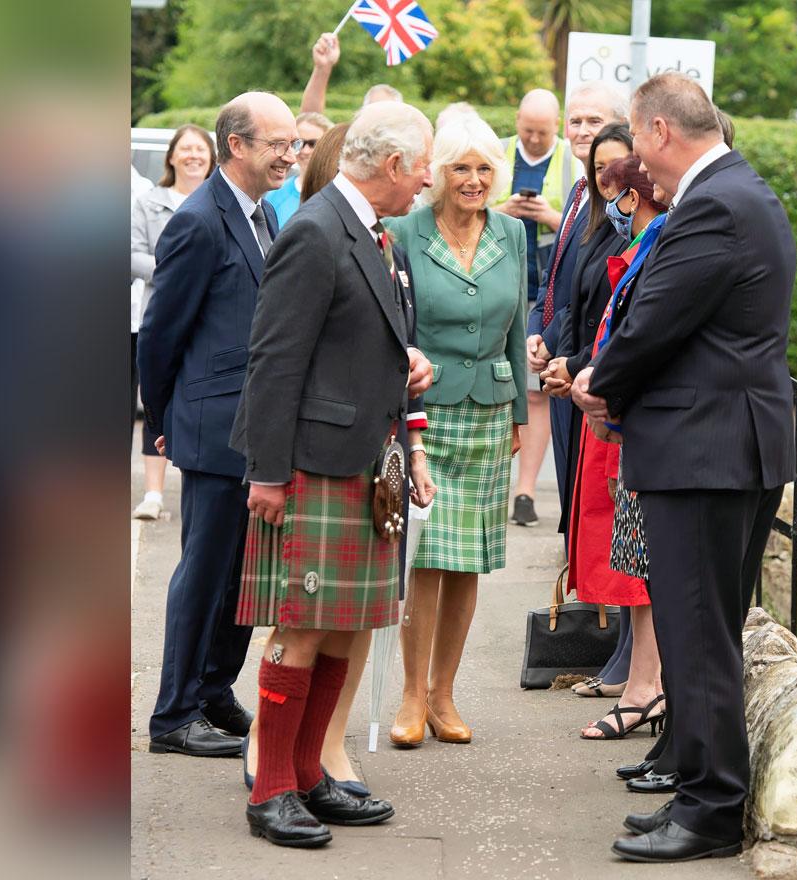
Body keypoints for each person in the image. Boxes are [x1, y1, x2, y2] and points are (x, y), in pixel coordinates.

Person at [572, 73, 796, 862]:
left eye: (636, 140)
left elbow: (655, 321)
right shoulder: (736, 192)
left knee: (697, 635)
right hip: (721, 445)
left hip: (708, 450)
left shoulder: (716, 204)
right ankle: (698, 783)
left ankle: (708, 809)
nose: (636, 158)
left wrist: (601, 384)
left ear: (660, 132)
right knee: (701, 632)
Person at [230, 101, 437, 849]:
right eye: (422, 169)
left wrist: (400, 369)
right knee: (303, 627)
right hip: (312, 465)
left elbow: (351, 342)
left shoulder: (375, 233)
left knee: (345, 627)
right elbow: (275, 359)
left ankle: (310, 774)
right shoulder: (316, 231)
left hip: (362, 461)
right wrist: (268, 473)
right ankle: (272, 788)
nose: (427, 183)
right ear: (390, 167)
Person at [137, 92, 297, 757]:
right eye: (278, 144)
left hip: (249, 424)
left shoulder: (260, 216)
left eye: (294, 143)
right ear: (237, 145)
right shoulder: (200, 222)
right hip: (211, 425)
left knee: (241, 575)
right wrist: (165, 418)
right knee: (205, 573)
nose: (291, 154)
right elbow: (160, 333)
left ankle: (211, 689)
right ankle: (174, 716)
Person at [383, 117, 528, 748]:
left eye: (485, 169)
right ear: (438, 171)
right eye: (461, 168)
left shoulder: (513, 232)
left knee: (467, 561)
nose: (473, 180)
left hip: (490, 411)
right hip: (426, 410)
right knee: (425, 555)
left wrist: (520, 410)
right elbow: (391, 325)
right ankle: (411, 695)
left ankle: (445, 694)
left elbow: (518, 326)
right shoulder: (404, 232)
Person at [560, 154, 669, 742]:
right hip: (629, 420)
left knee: (646, 567)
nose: (615, 210)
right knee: (637, 561)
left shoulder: (659, 244)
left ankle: (644, 689)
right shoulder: (645, 243)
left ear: (634, 197)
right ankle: (641, 685)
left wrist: (598, 379)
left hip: (646, 426)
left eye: (619, 195)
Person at [524, 83, 628, 521]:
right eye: (576, 120)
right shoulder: (578, 191)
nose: (583, 130)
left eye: (595, 121)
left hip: (580, 362)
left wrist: (552, 341)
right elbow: (553, 281)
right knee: (571, 500)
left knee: (587, 508)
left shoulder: (617, 201)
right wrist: (534, 331)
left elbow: (595, 295)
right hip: (558, 360)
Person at [495, 88, 579, 526]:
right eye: (526, 130)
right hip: (499, 284)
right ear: (516, 120)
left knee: (534, 390)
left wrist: (548, 215)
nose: (532, 139)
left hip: (544, 290)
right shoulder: (498, 151)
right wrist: (503, 210)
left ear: (557, 126)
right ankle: (496, 484)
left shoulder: (572, 161)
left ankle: (524, 491)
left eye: (542, 132)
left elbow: (581, 223)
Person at [131, 124, 216, 521]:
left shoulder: (219, 202)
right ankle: (152, 492)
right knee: (156, 397)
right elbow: (131, 252)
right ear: (171, 156)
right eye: (186, 148)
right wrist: (175, 270)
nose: (194, 155)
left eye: (201, 148)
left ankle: (194, 486)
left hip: (206, 322)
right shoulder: (149, 201)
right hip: (156, 312)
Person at [264, 111, 333, 225]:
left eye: (313, 144)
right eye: (300, 143)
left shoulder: (337, 192)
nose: (305, 151)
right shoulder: (276, 193)